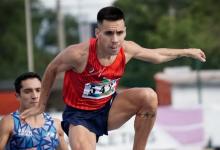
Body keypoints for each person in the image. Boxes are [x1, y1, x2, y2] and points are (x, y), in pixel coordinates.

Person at [20, 6, 206, 150]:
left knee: (149, 96)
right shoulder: (78, 54)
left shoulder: (127, 48)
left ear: (125, 31)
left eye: (119, 33)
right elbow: (52, 69)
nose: (115, 39)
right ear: (98, 33)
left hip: (109, 109)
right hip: (80, 116)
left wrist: (186, 52)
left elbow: (157, 55)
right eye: (109, 33)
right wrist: (42, 104)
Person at [0, 72, 68, 150]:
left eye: (38, 90)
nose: (34, 96)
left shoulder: (56, 124)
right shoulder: (9, 122)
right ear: (18, 96)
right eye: (28, 91)